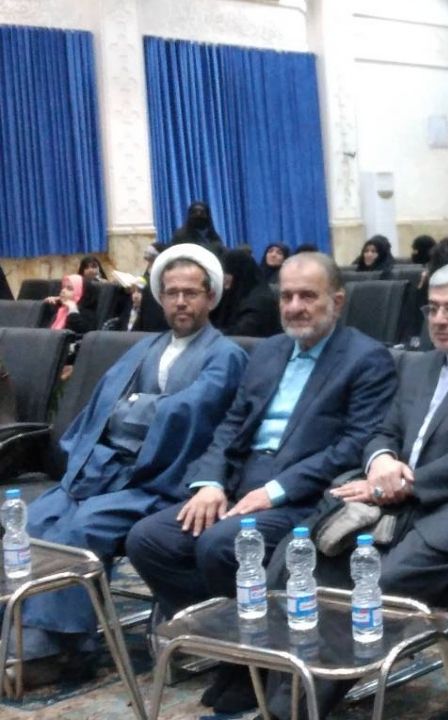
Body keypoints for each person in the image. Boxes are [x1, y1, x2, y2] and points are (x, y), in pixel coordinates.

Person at [263, 261, 448, 718]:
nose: (440, 319)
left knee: (379, 583)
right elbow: (384, 431)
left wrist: (405, 483)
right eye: (433, 308)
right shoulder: (419, 364)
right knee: (304, 563)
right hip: (395, 502)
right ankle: (288, 695)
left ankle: (296, 710)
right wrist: (381, 461)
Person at [126, 252, 397, 714]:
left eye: (307, 296)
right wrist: (210, 483)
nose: (294, 307)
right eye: (287, 296)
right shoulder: (268, 351)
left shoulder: (366, 358)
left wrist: (274, 492)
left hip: (304, 497)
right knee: (149, 540)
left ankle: (248, 664)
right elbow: (232, 425)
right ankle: (235, 648)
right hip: (238, 486)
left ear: (336, 301)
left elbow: (352, 446)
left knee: (222, 545)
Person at [20, 245, 247, 668]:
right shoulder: (147, 347)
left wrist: (134, 407)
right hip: (106, 470)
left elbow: (189, 411)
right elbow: (102, 406)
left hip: (161, 479)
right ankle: (23, 632)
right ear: (161, 297)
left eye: (191, 293)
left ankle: (57, 649)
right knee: (34, 521)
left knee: (82, 529)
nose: (181, 301)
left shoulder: (225, 356)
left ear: (211, 297)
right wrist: (144, 409)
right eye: (172, 292)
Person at [210, 249, 283, 338]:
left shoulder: (260, 303)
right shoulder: (233, 294)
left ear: (238, 274)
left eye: (226, 274)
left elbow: (239, 335)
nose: (223, 279)